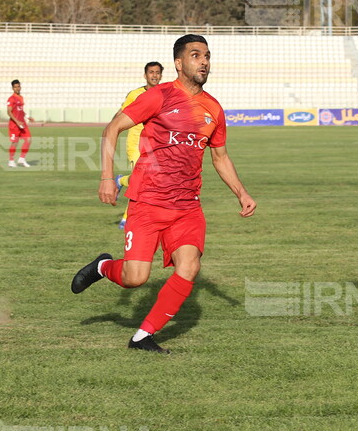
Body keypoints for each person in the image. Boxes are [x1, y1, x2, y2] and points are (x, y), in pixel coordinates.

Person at [71, 34, 257, 354]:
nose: (204, 62)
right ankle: (103, 267)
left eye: (207, 56)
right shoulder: (159, 96)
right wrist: (106, 178)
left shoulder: (213, 108)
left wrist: (242, 193)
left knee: (190, 266)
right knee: (135, 278)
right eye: (196, 55)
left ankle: (143, 336)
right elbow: (111, 129)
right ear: (179, 63)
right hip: (148, 202)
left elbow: (220, 157)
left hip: (187, 207)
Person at [115, 61, 164, 229]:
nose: (154, 75)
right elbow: (120, 115)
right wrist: (112, 131)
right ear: (145, 75)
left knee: (150, 183)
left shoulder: (165, 94)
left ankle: (121, 181)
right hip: (136, 144)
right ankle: (127, 217)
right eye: (151, 72)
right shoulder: (134, 94)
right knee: (141, 180)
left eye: (157, 72)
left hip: (155, 145)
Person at [6, 80, 31, 168]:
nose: (17, 88)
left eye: (18, 86)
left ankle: (21, 159)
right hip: (14, 124)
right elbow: (9, 112)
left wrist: (27, 116)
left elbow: (20, 110)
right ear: (12, 88)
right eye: (15, 87)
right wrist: (17, 121)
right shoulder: (11, 99)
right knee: (15, 143)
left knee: (28, 140)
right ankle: (11, 161)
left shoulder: (21, 97)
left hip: (22, 123)